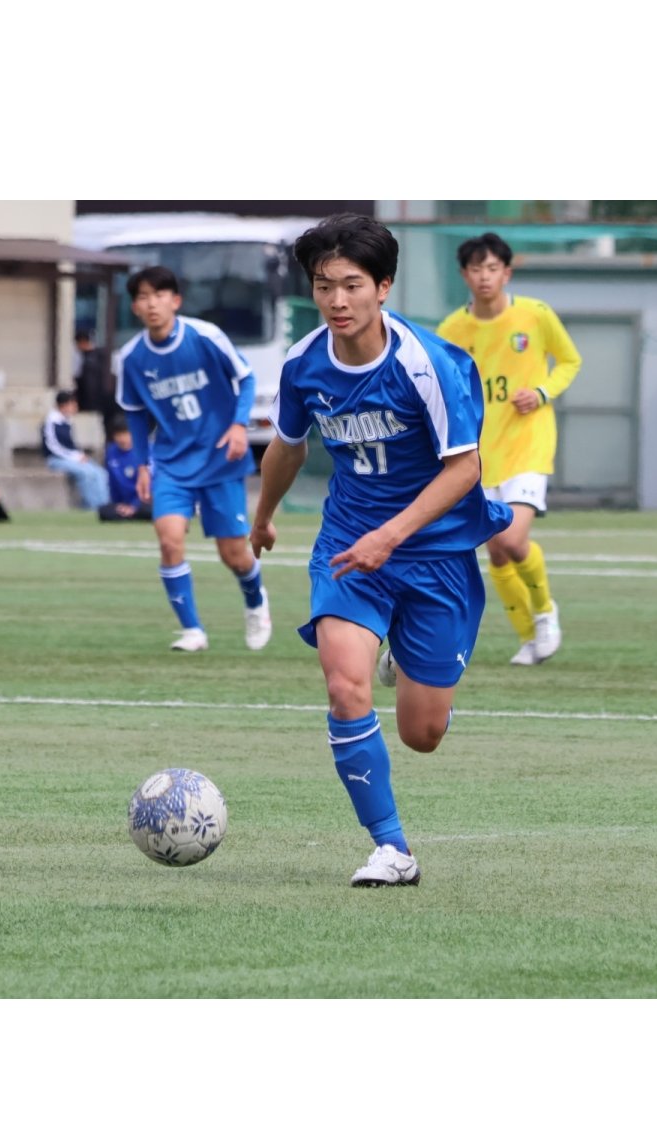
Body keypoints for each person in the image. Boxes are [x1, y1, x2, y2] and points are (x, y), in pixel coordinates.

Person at [249, 213, 512, 887]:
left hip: (435, 553)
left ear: (383, 286)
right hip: (348, 547)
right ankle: (392, 849)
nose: (337, 300)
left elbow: (465, 468)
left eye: (352, 285)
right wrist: (263, 516)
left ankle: (406, 659)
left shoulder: (429, 363)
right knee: (344, 686)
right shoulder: (304, 363)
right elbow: (288, 446)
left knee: (422, 734)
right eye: (324, 286)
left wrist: (391, 536)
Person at [436, 232, 582, 665]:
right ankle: (529, 638)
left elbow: (570, 360)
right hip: (480, 455)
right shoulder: (451, 330)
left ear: (507, 273)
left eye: (492, 268)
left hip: (528, 446)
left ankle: (545, 612)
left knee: (513, 539)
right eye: (476, 269)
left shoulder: (535, 315)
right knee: (496, 550)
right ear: (464, 275)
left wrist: (541, 392)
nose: (485, 277)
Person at [117, 265, 271, 653]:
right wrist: (142, 464)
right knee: (169, 542)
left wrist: (239, 426)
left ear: (176, 301)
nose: (152, 304)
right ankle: (193, 631)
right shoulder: (132, 357)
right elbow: (135, 413)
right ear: (135, 307)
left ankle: (255, 600)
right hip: (171, 463)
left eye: (159, 295)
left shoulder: (205, 336)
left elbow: (246, 378)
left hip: (220, 459)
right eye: (143, 297)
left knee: (234, 555)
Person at [41, 389, 110, 510]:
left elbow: (71, 445)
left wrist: (80, 455)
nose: (75, 407)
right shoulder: (51, 422)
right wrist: (75, 457)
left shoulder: (67, 421)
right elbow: (54, 447)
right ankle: (93, 507)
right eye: (73, 404)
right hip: (56, 459)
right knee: (86, 473)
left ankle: (105, 505)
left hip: (72, 458)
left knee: (100, 473)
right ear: (64, 405)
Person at [98, 416, 152, 523]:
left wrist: (135, 505)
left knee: (149, 510)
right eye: (119, 435)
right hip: (126, 502)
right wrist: (118, 504)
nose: (122, 439)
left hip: (146, 501)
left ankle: (132, 513)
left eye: (126, 434)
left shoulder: (147, 450)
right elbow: (113, 482)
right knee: (104, 511)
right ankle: (129, 514)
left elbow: (152, 484)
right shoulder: (111, 452)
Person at [74, 328, 116, 440]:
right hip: (110, 398)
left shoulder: (88, 360)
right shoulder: (104, 354)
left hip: (97, 401)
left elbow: (89, 385)